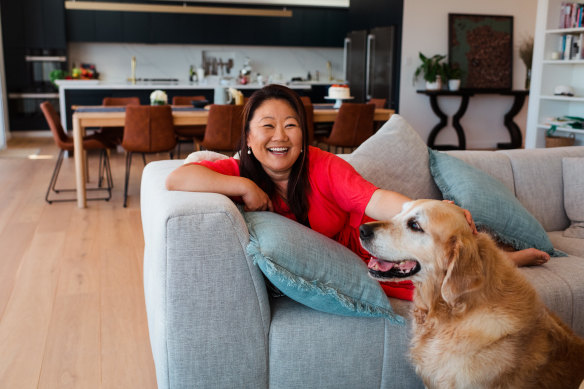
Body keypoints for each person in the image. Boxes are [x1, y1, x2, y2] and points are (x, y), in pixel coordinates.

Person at [165, 84, 549, 301]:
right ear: (248, 136)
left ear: (304, 134)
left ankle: (508, 259)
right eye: (267, 126)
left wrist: (421, 206)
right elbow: (176, 179)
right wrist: (243, 186)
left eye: (291, 125)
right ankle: (501, 258)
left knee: (447, 277)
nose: (280, 136)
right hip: (347, 261)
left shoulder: (323, 165)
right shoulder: (238, 170)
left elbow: (374, 199)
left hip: (372, 241)